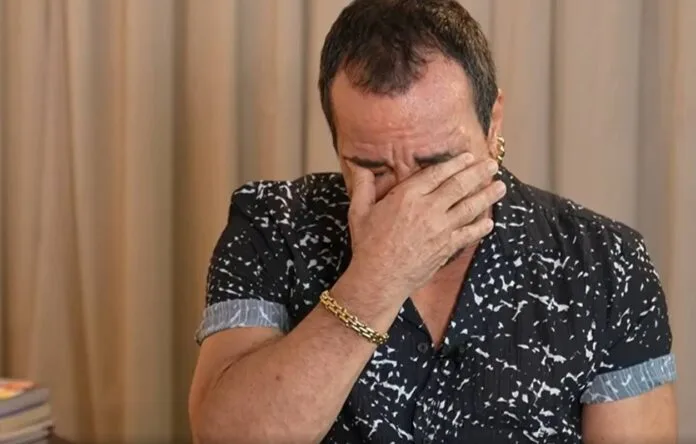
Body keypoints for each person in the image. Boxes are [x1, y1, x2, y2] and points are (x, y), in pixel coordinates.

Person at [188, 0, 678, 443]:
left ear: (493, 124)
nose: (410, 201)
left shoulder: (607, 263)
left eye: (437, 164)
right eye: (373, 168)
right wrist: (377, 280)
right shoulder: (272, 224)